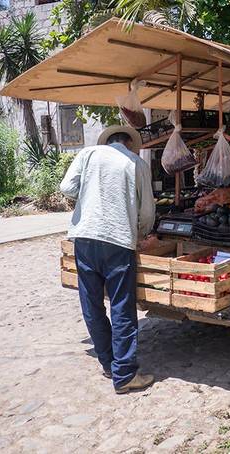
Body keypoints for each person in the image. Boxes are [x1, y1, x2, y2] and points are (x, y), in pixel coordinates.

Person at [60, 125, 156, 394]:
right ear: (128, 143)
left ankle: (107, 362)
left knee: (91, 304)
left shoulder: (87, 154)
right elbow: (147, 211)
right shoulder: (135, 162)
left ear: (108, 141)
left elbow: (66, 187)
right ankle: (124, 374)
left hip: (84, 239)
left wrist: (89, 200)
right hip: (118, 241)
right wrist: (143, 233)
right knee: (122, 306)